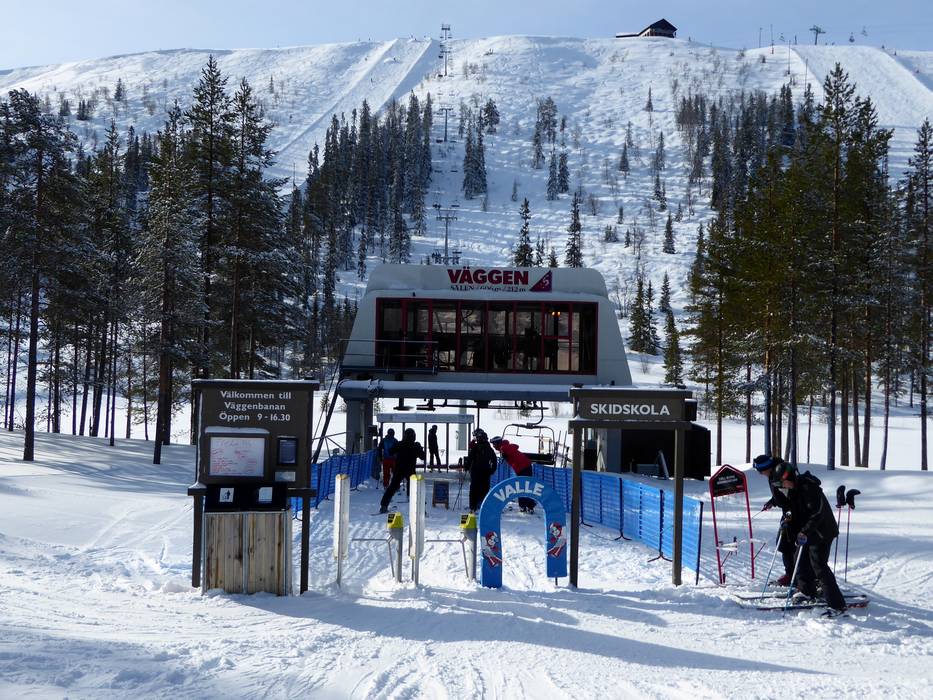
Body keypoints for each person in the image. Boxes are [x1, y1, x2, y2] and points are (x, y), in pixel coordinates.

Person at [772, 461, 847, 616]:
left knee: (819, 566)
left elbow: (817, 514)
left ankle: (838, 606)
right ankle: (807, 591)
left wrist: (804, 531)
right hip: (809, 532)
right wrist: (787, 519)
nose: (782, 487)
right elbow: (792, 509)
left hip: (822, 532)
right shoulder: (794, 489)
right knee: (800, 559)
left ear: (790, 477)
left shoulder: (808, 488)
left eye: (783, 483)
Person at [752, 454, 796, 586]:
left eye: (761, 471)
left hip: (794, 512)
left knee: (787, 543)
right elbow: (781, 494)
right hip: (788, 511)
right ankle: (791, 574)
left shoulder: (781, 473)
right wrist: (772, 501)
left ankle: (798, 576)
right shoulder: (772, 473)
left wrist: (789, 517)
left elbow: (792, 496)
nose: (760, 474)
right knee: (784, 543)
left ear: (767, 468)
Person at [379, 428, 425, 513]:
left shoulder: (400, 444)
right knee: (415, 489)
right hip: (410, 470)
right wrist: (420, 448)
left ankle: (384, 506)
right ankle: (421, 509)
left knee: (392, 488)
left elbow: (390, 451)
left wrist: (397, 447)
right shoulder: (415, 446)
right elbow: (423, 457)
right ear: (414, 436)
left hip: (399, 470)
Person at [491, 436, 536, 514]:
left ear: (498, 443)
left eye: (494, 444)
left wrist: (506, 454)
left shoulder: (504, 448)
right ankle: (528, 505)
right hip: (523, 467)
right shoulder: (505, 447)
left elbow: (511, 451)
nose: (493, 446)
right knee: (524, 486)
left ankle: (525, 506)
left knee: (522, 487)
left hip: (523, 468)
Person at [464, 429, 498, 512]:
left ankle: (473, 507)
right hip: (485, 472)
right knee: (484, 489)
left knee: (474, 490)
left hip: (476, 472)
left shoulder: (476, 447)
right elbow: (494, 460)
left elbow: (470, 458)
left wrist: (467, 467)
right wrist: (492, 470)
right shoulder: (489, 448)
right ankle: (482, 506)